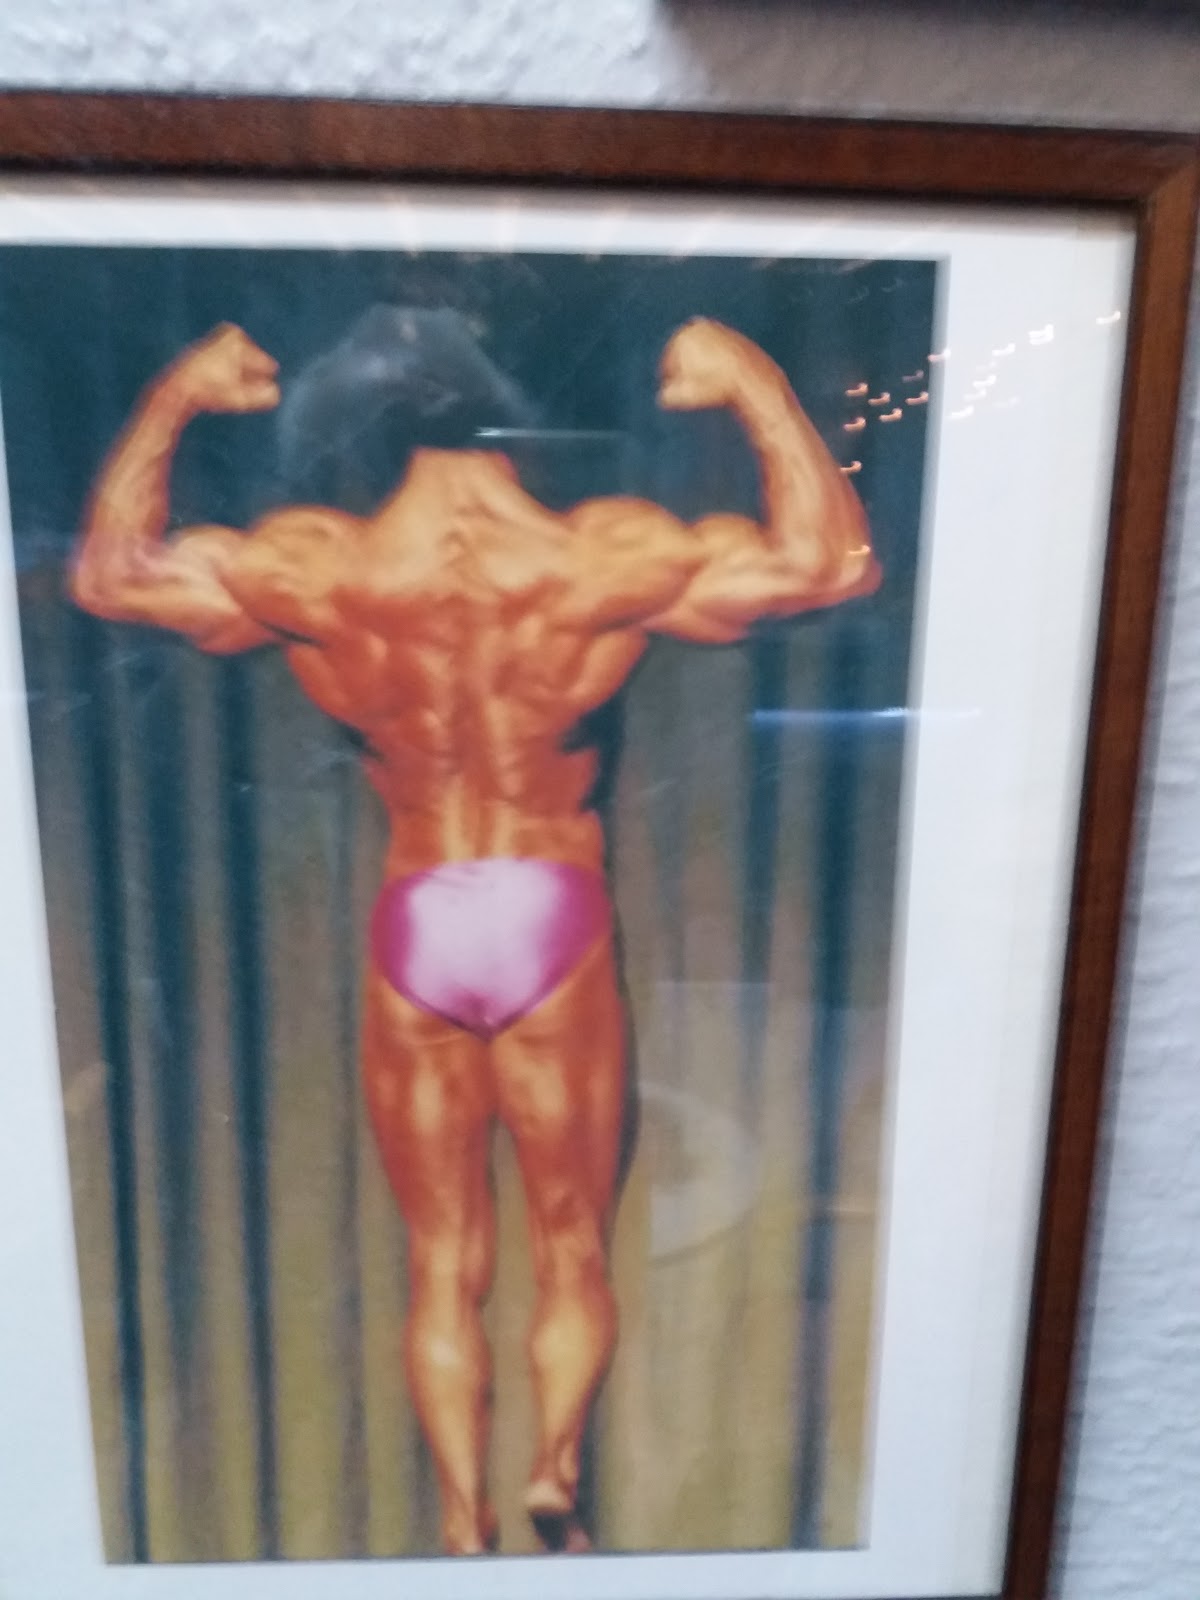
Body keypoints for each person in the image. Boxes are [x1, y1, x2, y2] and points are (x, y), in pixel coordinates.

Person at [71, 314, 879, 1556]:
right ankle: (555, 1472)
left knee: (442, 1258)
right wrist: (751, 379)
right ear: (517, 417)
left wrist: (177, 392)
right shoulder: (597, 552)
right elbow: (828, 568)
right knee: (571, 1247)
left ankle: (461, 1519)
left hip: (422, 912)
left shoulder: (321, 563)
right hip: (549, 898)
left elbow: (111, 576)